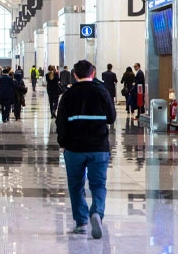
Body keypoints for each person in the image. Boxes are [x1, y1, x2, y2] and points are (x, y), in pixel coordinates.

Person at [56, 60, 116, 239]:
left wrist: (62, 142)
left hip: (74, 148)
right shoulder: (102, 91)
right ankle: (96, 212)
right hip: (99, 147)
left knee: (76, 185)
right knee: (98, 184)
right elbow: (111, 118)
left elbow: (61, 122)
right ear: (93, 73)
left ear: (75, 75)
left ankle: (81, 222)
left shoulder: (68, 94)